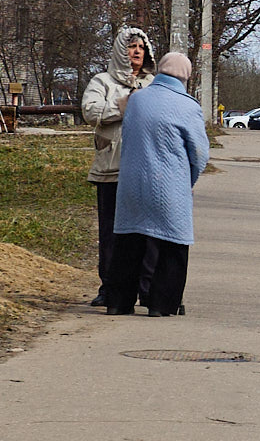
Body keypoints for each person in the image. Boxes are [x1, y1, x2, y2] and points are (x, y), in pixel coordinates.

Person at [106, 52, 210, 317]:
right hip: (169, 185)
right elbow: (199, 154)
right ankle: (161, 304)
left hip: (131, 183)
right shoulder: (188, 106)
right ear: (186, 76)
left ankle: (118, 302)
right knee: (172, 245)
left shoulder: (137, 100)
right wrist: (189, 180)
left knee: (129, 242)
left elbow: (128, 138)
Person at [81, 27, 156, 307]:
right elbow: (90, 111)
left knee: (147, 233)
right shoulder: (102, 81)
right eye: (131, 46)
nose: (137, 52)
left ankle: (145, 289)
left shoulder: (153, 83)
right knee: (111, 233)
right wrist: (123, 106)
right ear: (119, 51)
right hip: (111, 169)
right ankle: (110, 287)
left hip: (147, 170)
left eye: (141, 47)